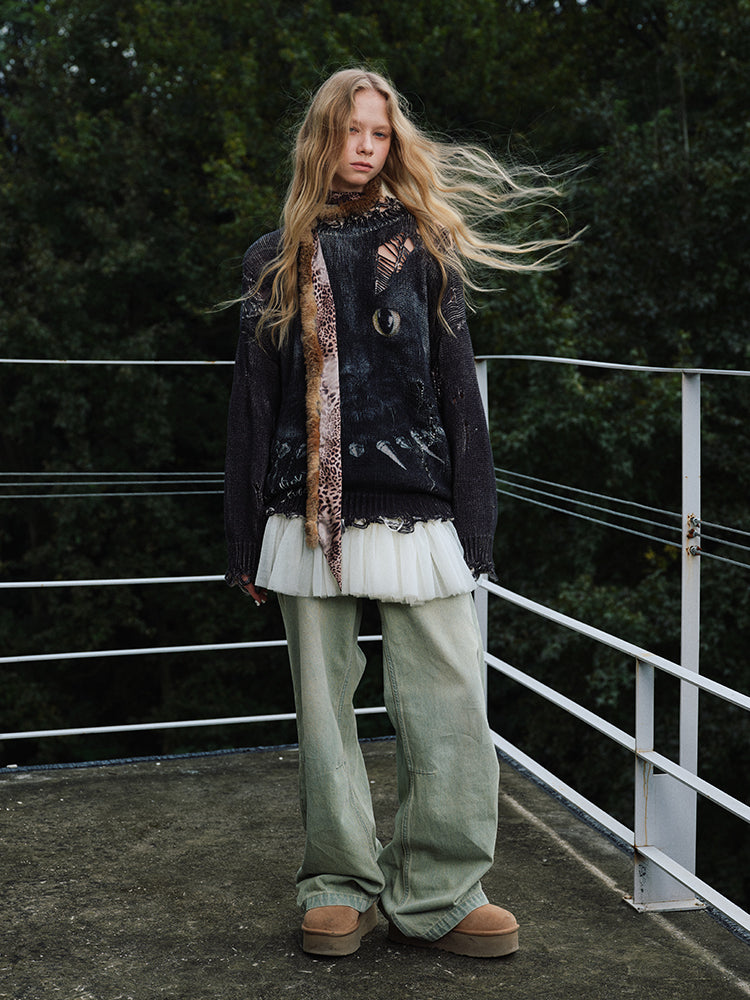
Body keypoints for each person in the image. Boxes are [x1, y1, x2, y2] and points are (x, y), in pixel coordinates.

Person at [224, 68, 570, 958]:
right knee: (323, 709)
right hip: (303, 512)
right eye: (352, 131)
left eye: (379, 132)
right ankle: (340, 886)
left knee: (449, 697)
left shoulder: (424, 246)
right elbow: (253, 407)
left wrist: (477, 519)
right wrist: (241, 541)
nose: (367, 146)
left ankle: (441, 892)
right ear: (322, 139)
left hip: (418, 504)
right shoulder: (273, 259)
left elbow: (459, 391)